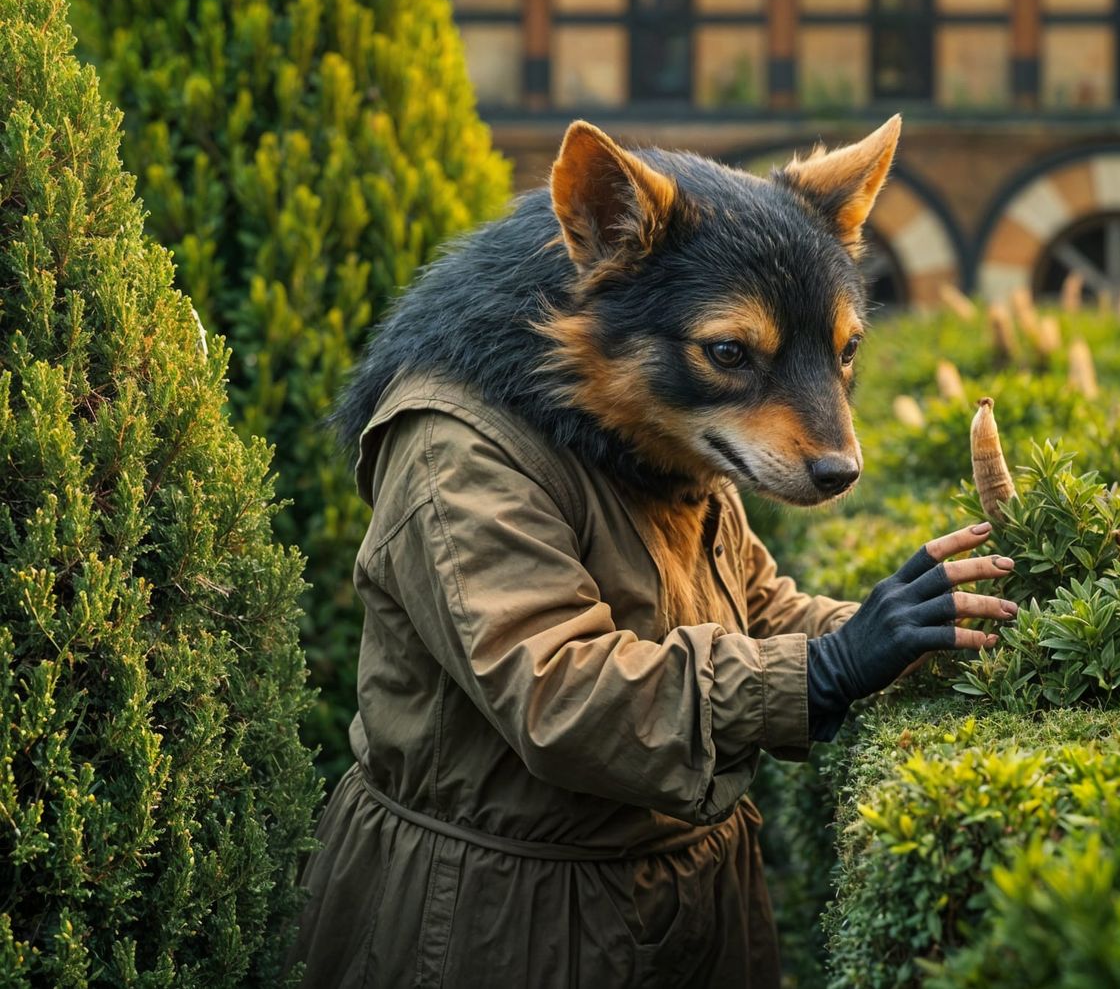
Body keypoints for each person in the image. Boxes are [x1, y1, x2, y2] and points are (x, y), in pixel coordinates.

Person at [292, 117, 1014, 986]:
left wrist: (920, 631)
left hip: (683, 907)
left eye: (842, 351)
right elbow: (558, 693)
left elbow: (754, 610)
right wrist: (825, 670)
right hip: (499, 928)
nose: (835, 448)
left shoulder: (658, 438)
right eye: (730, 354)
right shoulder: (458, 451)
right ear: (598, 231)